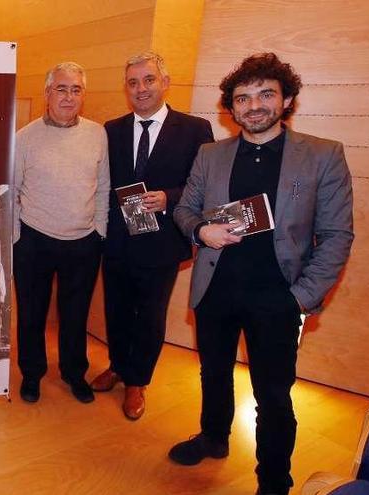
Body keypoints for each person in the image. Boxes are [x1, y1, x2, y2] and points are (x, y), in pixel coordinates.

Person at [171, 53, 354, 495]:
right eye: (242, 98)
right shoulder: (210, 154)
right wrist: (201, 229)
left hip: (279, 297)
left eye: (265, 94)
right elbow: (184, 209)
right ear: (230, 108)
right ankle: (214, 436)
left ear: (286, 98)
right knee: (212, 372)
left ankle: (273, 481)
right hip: (215, 289)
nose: (254, 105)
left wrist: (300, 298)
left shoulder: (323, 155)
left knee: (273, 396)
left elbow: (336, 236)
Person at [91, 52, 214, 420]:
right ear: (126, 88)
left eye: (148, 80)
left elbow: (204, 184)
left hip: (161, 243)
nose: (141, 89)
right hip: (117, 240)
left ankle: (137, 381)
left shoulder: (195, 129)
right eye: (133, 82)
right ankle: (117, 365)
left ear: (165, 82)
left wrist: (169, 197)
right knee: (115, 308)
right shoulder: (110, 129)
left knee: (150, 314)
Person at [13, 61, 109, 404]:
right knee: (31, 313)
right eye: (61, 88)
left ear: (83, 95)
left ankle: (73, 372)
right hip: (34, 240)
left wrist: (99, 230)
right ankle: (32, 373)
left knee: (75, 314)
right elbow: (12, 191)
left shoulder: (98, 134)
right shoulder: (24, 138)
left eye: (76, 89)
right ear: (47, 93)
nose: (68, 96)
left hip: (83, 243)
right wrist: (15, 238)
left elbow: (103, 187)